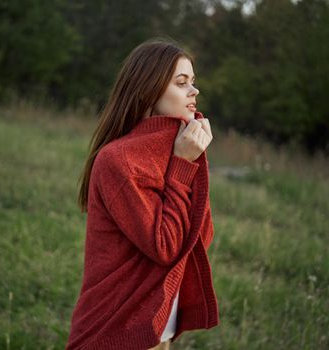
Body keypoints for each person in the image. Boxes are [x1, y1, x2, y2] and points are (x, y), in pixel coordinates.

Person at [66, 38, 219, 350]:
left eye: (193, 81)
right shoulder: (118, 160)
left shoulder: (179, 149)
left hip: (157, 324)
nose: (194, 91)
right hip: (118, 328)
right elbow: (165, 246)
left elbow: (200, 239)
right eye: (182, 82)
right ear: (149, 89)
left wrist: (192, 163)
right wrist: (182, 166)